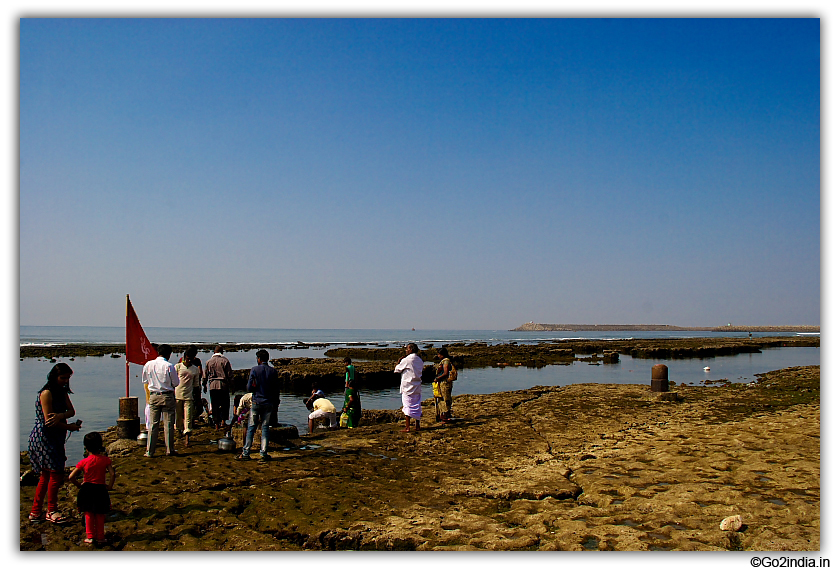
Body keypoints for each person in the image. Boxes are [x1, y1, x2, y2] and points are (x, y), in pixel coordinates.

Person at [28, 362, 83, 523]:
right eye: (62, 378)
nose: (65, 381)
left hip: (57, 435)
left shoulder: (62, 392)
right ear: (54, 376)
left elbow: (71, 411)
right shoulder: (47, 393)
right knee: (55, 474)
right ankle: (51, 510)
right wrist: (69, 425)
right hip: (45, 437)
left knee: (46, 475)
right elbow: (48, 421)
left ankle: (36, 512)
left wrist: (60, 416)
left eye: (67, 378)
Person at [68, 432, 116, 546]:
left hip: (87, 488)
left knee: (88, 513)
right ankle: (100, 536)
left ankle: (90, 536)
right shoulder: (105, 460)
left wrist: (79, 485)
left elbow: (71, 477)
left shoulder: (84, 461)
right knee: (100, 513)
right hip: (100, 489)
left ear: (86, 447)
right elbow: (112, 474)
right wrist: (109, 486)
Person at [237, 349, 279, 461]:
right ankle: (263, 453)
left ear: (259, 359)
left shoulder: (255, 370)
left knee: (251, 427)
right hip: (269, 402)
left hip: (256, 401)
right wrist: (276, 402)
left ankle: (246, 452)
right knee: (265, 428)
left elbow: (249, 387)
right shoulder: (273, 371)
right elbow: (276, 389)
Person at [142, 343, 180, 457]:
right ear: (169, 354)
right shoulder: (169, 366)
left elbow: (145, 380)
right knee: (168, 424)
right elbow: (176, 383)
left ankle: (150, 451)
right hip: (167, 395)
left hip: (153, 395)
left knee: (153, 424)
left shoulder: (148, 364)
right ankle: (169, 449)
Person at [395, 343, 424, 432]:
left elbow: (397, 369)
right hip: (417, 384)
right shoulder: (419, 360)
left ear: (411, 349)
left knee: (407, 405)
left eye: (407, 349)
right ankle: (417, 425)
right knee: (417, 405)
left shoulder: (407, 360)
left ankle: (407, 427)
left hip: (408, 385)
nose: (406, 350)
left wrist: (398, 362)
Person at [175, 346, 200, 447]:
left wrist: (198, 398)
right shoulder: (178, 367)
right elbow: (173, 381)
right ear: (184, 357)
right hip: (177, 395)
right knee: (178, 416)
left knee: (188, 417)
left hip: (189, 396)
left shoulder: (195, 370)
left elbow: (196, 385)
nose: (189, 360)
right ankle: (180, 431)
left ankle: (187, 438)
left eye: (191, 359)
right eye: (187, 358)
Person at [206, 345, 233, 430]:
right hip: (223, 385)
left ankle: (216, 424)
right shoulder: (225, 361)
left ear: (214, 352)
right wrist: (232, 386)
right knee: (225, 404)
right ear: (222, 352)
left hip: (213, 385)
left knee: (215, 404)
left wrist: (203, 385)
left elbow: (205, 375)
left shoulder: (209, 362)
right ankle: (223, 422)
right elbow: (230, 375)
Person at [434, 347, 455, 423]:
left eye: (439, 354)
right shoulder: (445, 361)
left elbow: (445, 373)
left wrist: (438, 378)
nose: (438, 356)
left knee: (445, 398)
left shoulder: (446, 361)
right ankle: (444, 415)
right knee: (442, 398)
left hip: (445, 382)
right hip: (443, 382)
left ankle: (446, 416)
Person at [340, 357, 361, 428]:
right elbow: (355, 375)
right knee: (355, 397)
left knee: (348, 398)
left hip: (349, 384)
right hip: (354, 384)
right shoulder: (353, 367)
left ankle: (347, 409)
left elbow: (347, 377)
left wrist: (346, 386)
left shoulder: (348, 368)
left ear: (347, 362)